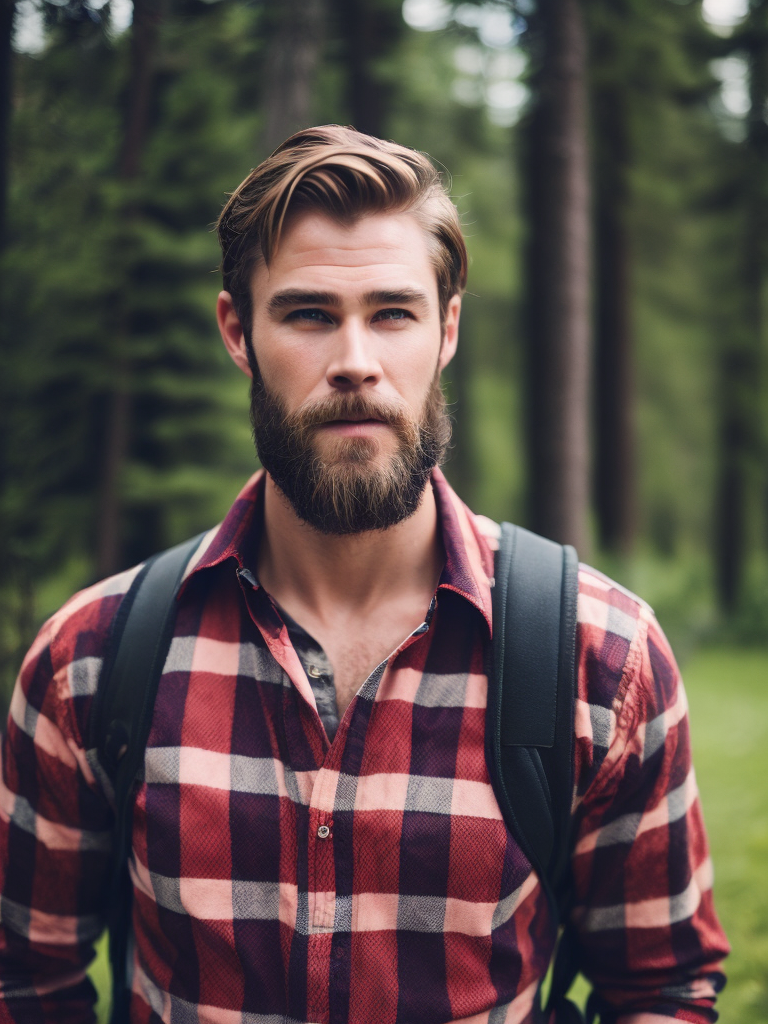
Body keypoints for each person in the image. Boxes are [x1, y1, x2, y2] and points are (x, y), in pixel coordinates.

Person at [0, 125, 728, 1024]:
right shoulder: (91, 662)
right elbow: (24, 983)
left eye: (393, 312)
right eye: (308, 314)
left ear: (447, 328)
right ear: (239, 332)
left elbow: (664, 989)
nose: (355, 360)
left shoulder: (605, 660)